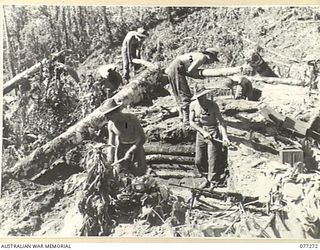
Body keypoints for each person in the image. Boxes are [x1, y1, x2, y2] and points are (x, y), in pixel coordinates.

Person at [189, 83, 230, 188]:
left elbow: (221, 122)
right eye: (199, 97)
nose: (201, 99)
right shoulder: (193, 105)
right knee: (198, 160)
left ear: (206, 95)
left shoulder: (213, 105)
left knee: (213, 159)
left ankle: (213, 181)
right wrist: (203, 132)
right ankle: (206, 178)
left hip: (213, 132)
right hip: (201, 132)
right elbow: (191, 122)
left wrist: (224, 137)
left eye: (203, 96)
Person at [165, 48, 220, 124]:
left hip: (174, 67)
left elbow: (188, 70)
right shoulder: (202, 57)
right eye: (213, 60)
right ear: (210, 56)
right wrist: (197, 76)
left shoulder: (197, 55)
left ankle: (182, 117)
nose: (212, 62)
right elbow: (191, 70)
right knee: (184, 94)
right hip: (177, 68)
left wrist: (196, 76)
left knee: (179, 94)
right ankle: (187, 120)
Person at [103, 98, 147, 176]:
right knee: (120, 173)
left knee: (139, 173)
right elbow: (111, 144)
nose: (107, 119)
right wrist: (109, 160)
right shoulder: (111, 124)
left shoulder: (131, 119)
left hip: (136, 147)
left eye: (109, 116)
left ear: (116, 112)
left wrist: (130, 151)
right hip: (121, 149)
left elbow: (142, 138)